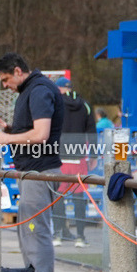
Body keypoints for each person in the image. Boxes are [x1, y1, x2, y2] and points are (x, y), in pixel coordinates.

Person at [0, 52, 64, 272]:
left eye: (7, 79)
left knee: (36, 232)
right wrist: (10, 128)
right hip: (30, 171)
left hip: (40, 172)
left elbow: (42, 134)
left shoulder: (40, 90)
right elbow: (32, 129)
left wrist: (7, 140)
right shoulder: (30, 90)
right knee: (28, 232)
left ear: (19, 71)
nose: (6, 85)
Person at [52, 76, 96, 248]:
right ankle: (80, 237)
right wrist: (93, 155)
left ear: (59, 89)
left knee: (58, 198)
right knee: (79, 199)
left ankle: (58, 235)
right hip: (79, 159)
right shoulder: (85, 104)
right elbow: (91, 131)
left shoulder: (54, 104)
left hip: (59, 158)